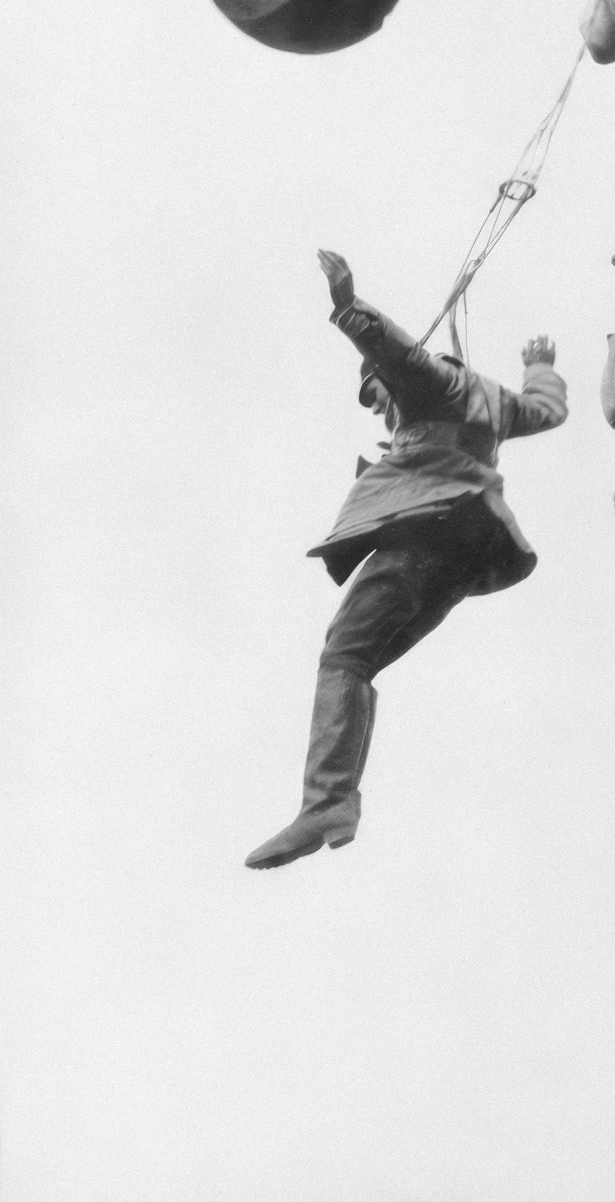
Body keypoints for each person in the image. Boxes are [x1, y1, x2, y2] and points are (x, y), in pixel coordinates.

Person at [245, 250, 568, 869]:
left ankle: (328, 802)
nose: (379, 411)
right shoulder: (496, 402)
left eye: (376, 397)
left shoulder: (429, 383)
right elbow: (546, 410)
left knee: (342, 655)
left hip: (430, 529)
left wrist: (346, 305)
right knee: (357, 662)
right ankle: (330, 801)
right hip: (470, 549)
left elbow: (397, 354)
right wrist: (541, 367)